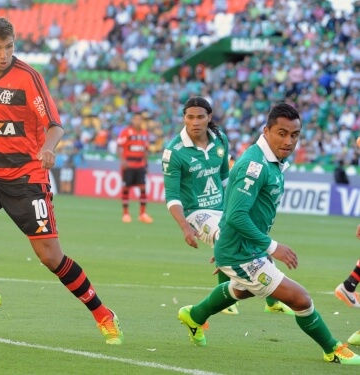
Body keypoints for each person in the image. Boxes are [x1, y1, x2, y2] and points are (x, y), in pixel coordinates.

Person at [0, 17, 123, 345]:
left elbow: (55, 124)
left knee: (50, 257)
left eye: (10, 47)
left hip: (27, 178)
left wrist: (47, 146)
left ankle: (103, 314)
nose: (4, 54)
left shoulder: (28, 78)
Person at [177, 102, 360, 364]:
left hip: (243, 248)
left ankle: (194, 315)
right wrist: (271, 247)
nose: (288, 141)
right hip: (242, 252)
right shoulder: (255, 166)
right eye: (282, 133)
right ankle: (333, 349)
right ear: (267, 131)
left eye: (294, 135)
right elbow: (236, 215)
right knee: (300, 298)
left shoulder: (272, 160)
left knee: (243, 290)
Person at [162, 97, 293, 315]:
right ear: (184, 118)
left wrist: (232, 208)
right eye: (190, 117)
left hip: (223, 208)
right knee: (224, 237)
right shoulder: (174, 151)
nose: (195, 122)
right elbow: (172, 194)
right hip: (196, 213)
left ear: (209, 117)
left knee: (254, 241)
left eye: (200, 117)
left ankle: (271, 302)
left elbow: (226, 178)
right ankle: (228, 300)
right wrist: (184, 226)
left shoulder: (220, 139)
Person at [117, 111, 153, 223]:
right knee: (126, 189)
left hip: (140, 165)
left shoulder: (144, 134)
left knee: (143, 188)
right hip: (129, 164)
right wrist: (123, 161)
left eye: (140, 119)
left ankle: (142, 214)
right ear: (132, 120)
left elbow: (146, 150)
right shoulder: (126, 132)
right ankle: (126, 214)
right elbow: (119, 147)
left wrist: (146, 164)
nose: (138, 121)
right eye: (136, 119)